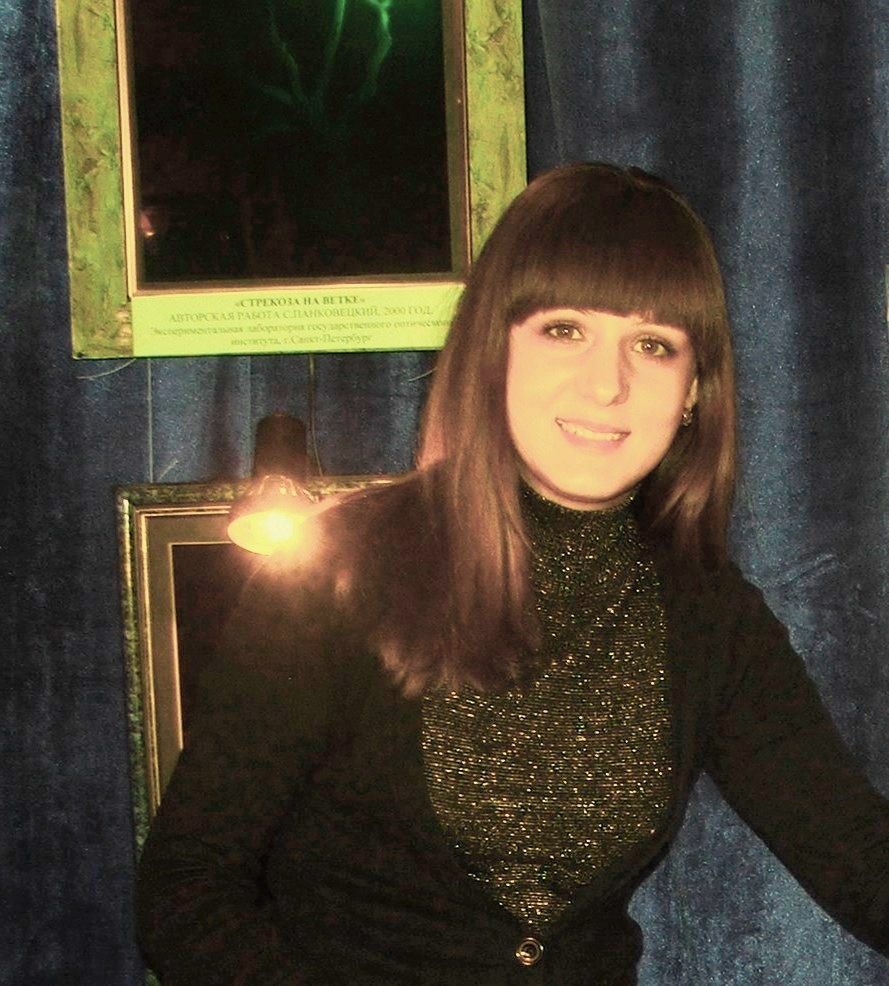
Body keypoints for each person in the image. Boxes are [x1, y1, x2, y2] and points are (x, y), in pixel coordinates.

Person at [136, 163, 889, 985]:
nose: (607, 384)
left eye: (652, 345)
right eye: (564, 330)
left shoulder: (709, 614)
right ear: (493, 350)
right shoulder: (340, 570)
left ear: (693, 392)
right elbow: (188, 890)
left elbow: (855, 854)